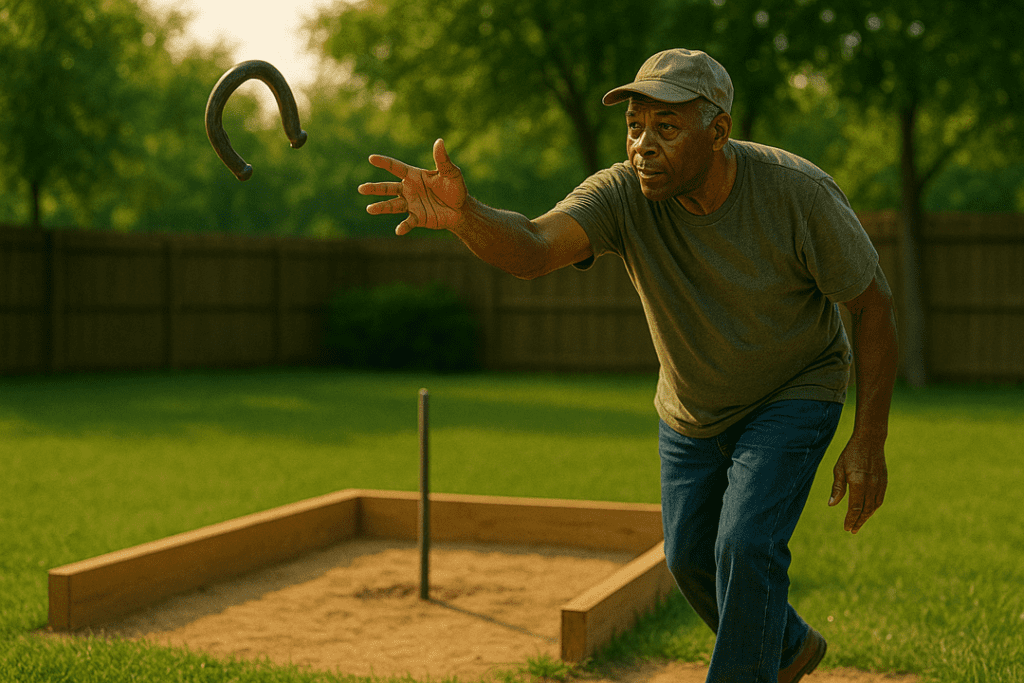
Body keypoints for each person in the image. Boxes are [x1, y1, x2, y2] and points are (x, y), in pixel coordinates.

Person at [358, 48, 898, 683]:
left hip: (795, 388)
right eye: (635, 125)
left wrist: (868, 439)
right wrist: (464, 216)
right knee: (691, 558)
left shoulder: (795, 193)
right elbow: (533, 248)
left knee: (746, 545)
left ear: (717, 131)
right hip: (692, 405)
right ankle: (788, 648)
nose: (643, 144)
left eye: (666, 128)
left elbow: (873, 305)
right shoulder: (622, 194)